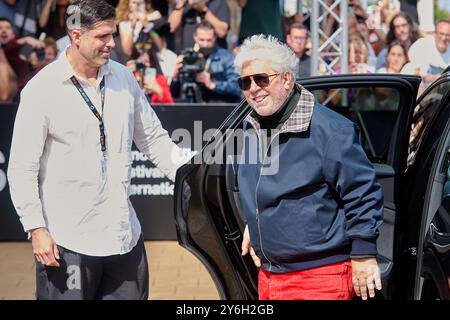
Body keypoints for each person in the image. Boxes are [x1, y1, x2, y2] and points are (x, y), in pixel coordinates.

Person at [7, 0, 189, 300]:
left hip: (123, 238)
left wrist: (193, 175)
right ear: (76, 36)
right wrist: (36, 228)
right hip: (67, 242)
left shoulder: (124, 78)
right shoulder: (41, 89)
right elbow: (22, 168)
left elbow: (154, 140)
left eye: (113, 34)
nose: (111, 43)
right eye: (102, 36)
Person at [236, 35, 384, 300]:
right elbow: (260, 185)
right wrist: (255, 220)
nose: (253, 88)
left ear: (286, 79)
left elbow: (362, 192)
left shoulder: (330, 130)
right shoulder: (251, 127)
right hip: (269, 275)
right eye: (245, 82)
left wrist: (364, 254)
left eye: (261, 79)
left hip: (320, 276)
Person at [170, 21, 241, 103]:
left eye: (209, 40)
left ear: (215, 37)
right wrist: (175, 77)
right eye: (202, 39)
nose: (205, 44)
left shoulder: (227, 57)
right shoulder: (187, 58)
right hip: (193, 108)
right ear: (195, 37)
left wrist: (212, 84)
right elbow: (174, 95)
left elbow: (238, 89)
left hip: (221, 108)